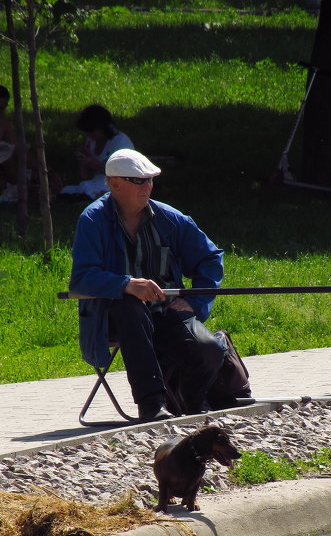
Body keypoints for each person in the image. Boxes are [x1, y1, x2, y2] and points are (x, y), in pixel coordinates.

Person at [69, 148, 225, 422]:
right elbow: (82, 278)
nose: (148, 186)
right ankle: (151, 404)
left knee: (209, 349)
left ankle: (192, 402)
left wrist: (196, 303)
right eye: (139, 180)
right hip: (114, 318)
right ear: (115, 184)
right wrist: (126, 285)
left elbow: (210, 258)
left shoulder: (171, 219)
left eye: (151, 180)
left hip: (165, 312)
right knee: (130, 308)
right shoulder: (92, 220)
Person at [59, 104, 134, 201]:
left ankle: (82, 199)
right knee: (70, 189)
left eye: (92, 131)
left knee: (89, 188)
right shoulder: (91, 141)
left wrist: (97, 165)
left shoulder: (120, 142)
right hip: (96, 182)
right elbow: (86, 176)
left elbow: (124, 174)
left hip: (115, 184)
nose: (90, 135)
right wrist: (84, 161)